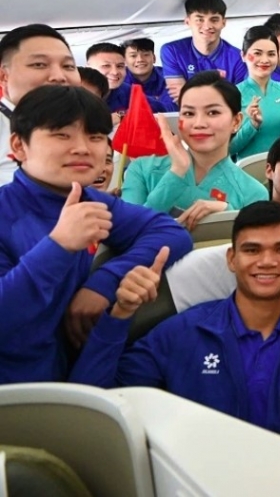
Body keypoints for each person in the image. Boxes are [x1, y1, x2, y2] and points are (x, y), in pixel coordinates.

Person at [71, 201, 280, 453]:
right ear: (231, 259)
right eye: (252, 250)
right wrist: (121, 314)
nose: (267, 261)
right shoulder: (181, 333)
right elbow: (96, 402)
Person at [0, 85, 191, 383]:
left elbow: (170, 232)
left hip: (82, 376)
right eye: (61, 134)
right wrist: (59, 245)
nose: (82, 148)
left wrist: (103, 283)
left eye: (96, 136)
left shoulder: (92, 200)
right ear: (19, 145)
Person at [124, 71, 269, 228]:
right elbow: (128, 231)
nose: (199, 123)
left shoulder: (253, 192)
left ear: (236, 121)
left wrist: (229, 214)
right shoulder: (142, 169)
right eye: (189, 113)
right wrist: (176, 173)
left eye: (213, 112)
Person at [0, 24, 82, 186]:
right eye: (39, 64)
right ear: (3, 77)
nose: (59, 76)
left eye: (68, 66)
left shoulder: (81, 125)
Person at [230, 27, 280, 159]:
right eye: (258, 53)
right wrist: (252, 125)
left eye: (271, 54)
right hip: (248, 173)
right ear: (243, 56)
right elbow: (229, 148)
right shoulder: (232, 95)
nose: (265, 60)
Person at [161, 0, 248, 102]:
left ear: (223, 23)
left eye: (214, 20)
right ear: (188, 22)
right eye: (199, 19)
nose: (207, 26)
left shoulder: (238, 58)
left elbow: (238, 101)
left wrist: (191, 92)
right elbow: (180, 97)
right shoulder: (172, 51)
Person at [124, 38, 177, 111]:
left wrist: (134, 102)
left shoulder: (169, 76)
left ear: (154, 58)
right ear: (124, 61)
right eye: (133, 56)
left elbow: (171, 109)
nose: (140, 59)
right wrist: (155, 100)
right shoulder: (117, 79)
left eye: (146, 54)